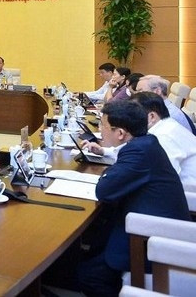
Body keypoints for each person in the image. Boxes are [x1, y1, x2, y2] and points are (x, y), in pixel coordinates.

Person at [76, 99, 190, 295]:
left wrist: (107, 174)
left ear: (120, 133)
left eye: (103, 126)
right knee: (95, 241)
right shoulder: (146, 143)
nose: (100, 132)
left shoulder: (138, 151)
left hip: (155, 241)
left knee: (89, 276)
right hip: (153, 227)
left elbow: (104, 190)